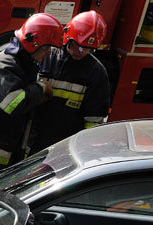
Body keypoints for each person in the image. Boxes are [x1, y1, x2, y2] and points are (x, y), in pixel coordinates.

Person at [0, 13, 62, 182]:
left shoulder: (24, 63)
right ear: (33, 43)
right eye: (46, 48)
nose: (49, 53)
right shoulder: (4, 64)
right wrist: (40, 88)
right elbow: (13, 104)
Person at [30, 11, 110, 153]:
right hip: (32, 139)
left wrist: (84, 149)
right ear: (67, 37)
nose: (81, 52)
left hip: (66, 146)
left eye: (88, 49)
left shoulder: (96, 72)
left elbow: (94, 119)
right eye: (78, 46)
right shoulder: (46, 57)